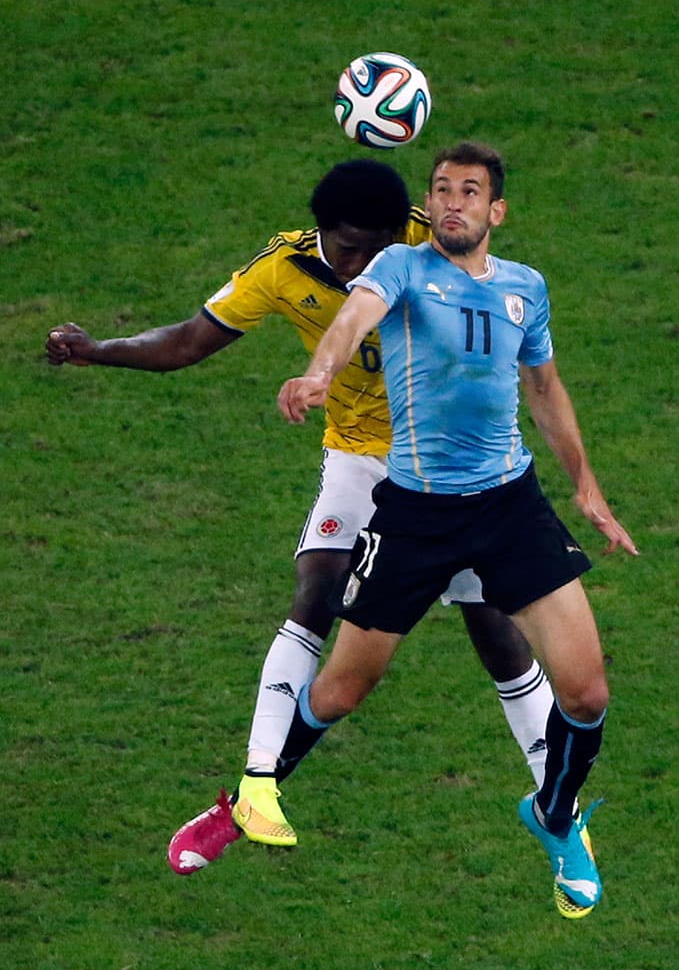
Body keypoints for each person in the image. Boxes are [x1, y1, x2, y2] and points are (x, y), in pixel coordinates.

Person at [46, 158, 553, 874]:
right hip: (358, 457)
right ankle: (249, 793)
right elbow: (190, 340)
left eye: (375, 250)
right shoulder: (280, 270)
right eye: (347, 249)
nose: (360, 267)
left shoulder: (425, 238)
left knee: (495, 631)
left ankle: (556, 811)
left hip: (449, 462)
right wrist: (99, 351)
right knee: (315, 592)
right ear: (320, 232)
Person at [274, 142, 638, 919]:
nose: (451, 203)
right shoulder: (402, 269)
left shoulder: (523, 288)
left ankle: (552, 815)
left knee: (587, 691)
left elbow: (543, 387)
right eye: (440, 190)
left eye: (469, 192)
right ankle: (254, 793)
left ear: (494, 211)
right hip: (415, 515)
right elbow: (352, 318)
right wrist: (320, 373)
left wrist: (587, 490)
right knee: (340, 691)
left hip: (509, 505)